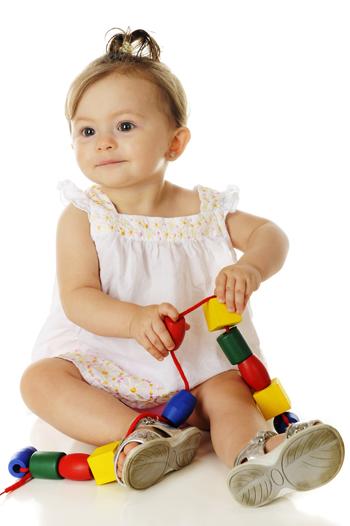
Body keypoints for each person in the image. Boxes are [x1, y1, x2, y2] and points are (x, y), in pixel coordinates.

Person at [20, 28, 344, 506]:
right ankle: (140, 438)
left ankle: (259, 457)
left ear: (175, 142)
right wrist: (133, 320)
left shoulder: (204, 212)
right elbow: (78, 295)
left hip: (198, 371)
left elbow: (270, 234)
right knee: (40, 381)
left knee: (231, 395)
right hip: (105, 367)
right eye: (87, 131)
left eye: (124, 126)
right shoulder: (85, 216)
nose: (104, 143)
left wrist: (251, 267)